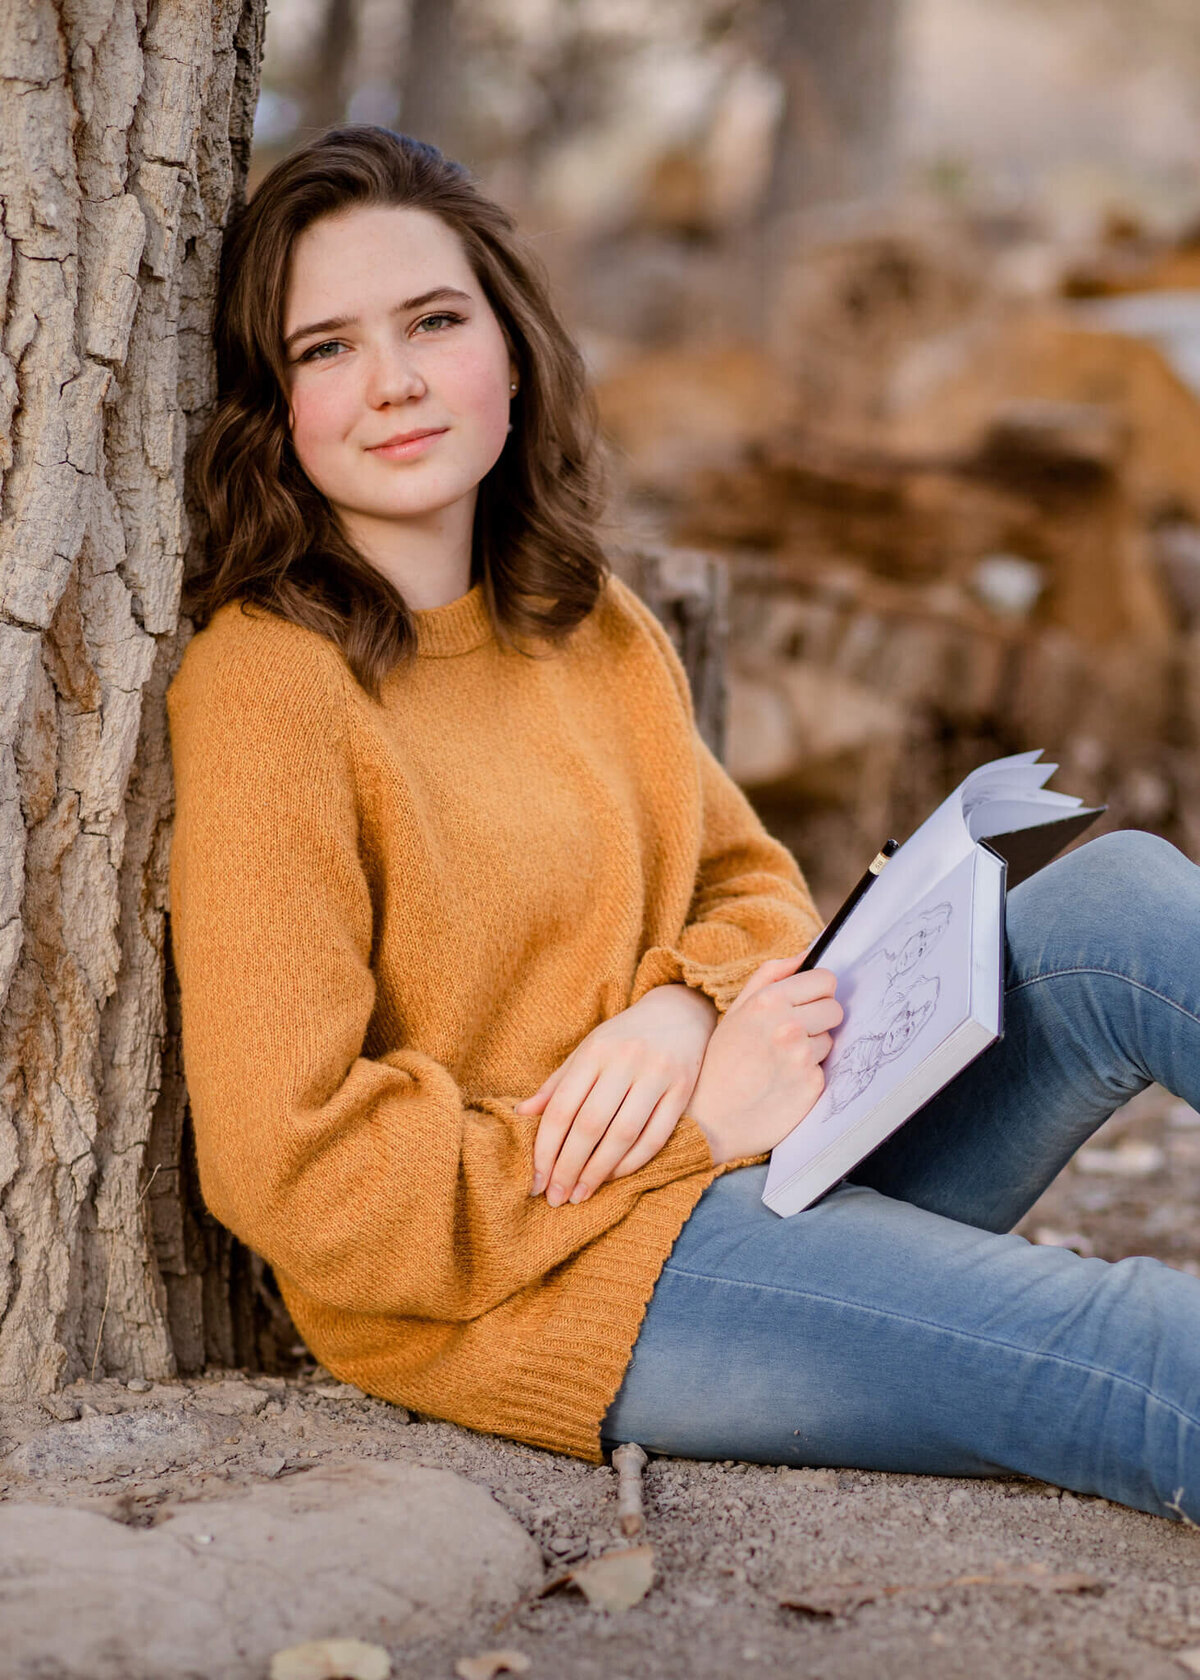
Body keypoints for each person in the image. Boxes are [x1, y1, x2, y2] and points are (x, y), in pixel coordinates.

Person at [167, 124, 1200, 1526]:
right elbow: (295, 1169)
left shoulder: (585, 620)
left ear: (513, 352)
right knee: (1138, 1345)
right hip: (559, 1286)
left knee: (1124, 903)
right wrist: (693, 1128)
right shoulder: (271, 686)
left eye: (432, 320)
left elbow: (754, 888)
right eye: (325, 348)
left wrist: (679, 1017)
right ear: (271, 404)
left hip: (776, 1139)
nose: (395, 382)